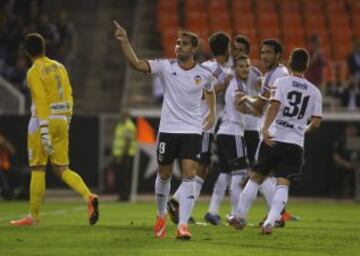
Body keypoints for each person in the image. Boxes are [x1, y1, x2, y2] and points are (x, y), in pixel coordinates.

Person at [113, 21, 216, 240]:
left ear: (194, 49)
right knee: (164, 174)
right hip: (168, 130)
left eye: (185, 44)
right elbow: (136, 64)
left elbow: (210, 91)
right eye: (178, 43)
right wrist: (125, 42)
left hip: (192, 131)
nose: (179, 46)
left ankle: (183, 225)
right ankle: (160, 216)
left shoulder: (204, 73)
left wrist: (212, 112)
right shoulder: (165, 66)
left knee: (189, 175)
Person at [230, 48, 322, 234]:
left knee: (256, 177)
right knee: (283, 184)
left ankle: (240, 217)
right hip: (295, 143)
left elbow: (274, 106)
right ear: (306, 66)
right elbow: (316, 122)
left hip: (274, 138)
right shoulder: (315, 91)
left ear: (289, 62)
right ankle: (271, 221)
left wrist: (265, 128)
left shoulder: (281, 82)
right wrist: (302, 130)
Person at [11, 33, 99, 226]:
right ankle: (89, 197)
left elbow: (41, 101)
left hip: (42, 121)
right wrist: (66, 119)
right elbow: (69, 95)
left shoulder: (34, 71)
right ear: (44, 48)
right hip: (61, 119)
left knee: (38, 167)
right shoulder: (60, 67)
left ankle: (33, 217)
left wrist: (43, 129)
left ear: (26, 52)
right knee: (62, 168)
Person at [167, 31, 232, 225]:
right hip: (201, 123)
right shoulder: (209, 67)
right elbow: (197, 94)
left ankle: (180, 203)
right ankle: (176, 201)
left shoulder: (219, 69)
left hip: (207, 125)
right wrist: (221, 88)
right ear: (226, 48)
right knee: (199, 167)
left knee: (204, 167)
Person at [235, 39, 295, 224]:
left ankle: (240, 217)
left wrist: (245, 97)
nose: (264, 56)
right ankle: (276, 216)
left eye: (269, 52)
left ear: (278, 55)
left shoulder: (273, 75)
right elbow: (264, 108)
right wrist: (248, 108)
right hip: (285, 132)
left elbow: (261, 103)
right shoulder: (283, 73)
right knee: (268, 177)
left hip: (271, 132)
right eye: (262, 52)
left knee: (256, 176)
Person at [204, 55, 252, 225]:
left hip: (223, 131)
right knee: (239, 175)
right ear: (235, 68)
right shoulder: (238, 84)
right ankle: (236, 215)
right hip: (234, 132)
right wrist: (257, 109)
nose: (245, 69)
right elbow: (240, 105)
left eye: (247, 66)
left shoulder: (232, 81)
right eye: (241, 66)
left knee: (225, 173)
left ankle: (212, 211)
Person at [111, 111, 137, 201]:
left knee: (125, 176)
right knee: (119, 176)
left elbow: (128, 142)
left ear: (128, 116)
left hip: (126, 155)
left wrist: (122, 156)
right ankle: (121, 195)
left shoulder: (129, 126)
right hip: (117, 154)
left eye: (124, 115)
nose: (122, 117)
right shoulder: (119, 125)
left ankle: (126, 196)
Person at [332, 124, 359, 198]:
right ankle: (337, 194)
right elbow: (335, 156)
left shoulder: (357, 140)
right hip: (343, 164)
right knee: (337, 170)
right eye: (349, 129)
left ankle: (354, 194)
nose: (351, 132)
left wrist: (356, 164)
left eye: (352, 129)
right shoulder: (340, 140)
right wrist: (346, 164)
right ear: (346, 130)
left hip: (356, 165)